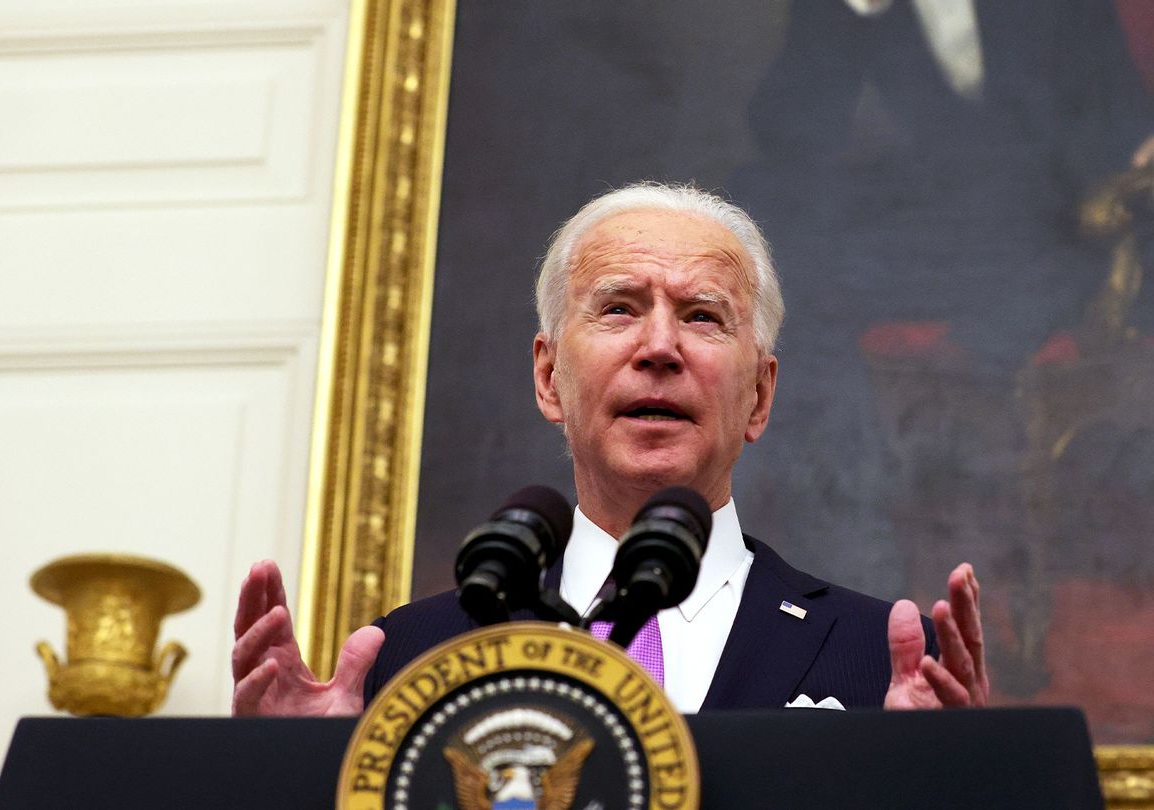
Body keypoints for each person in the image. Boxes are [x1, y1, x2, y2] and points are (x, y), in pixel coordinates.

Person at [231, 182, 988, 717]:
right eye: (619, 308)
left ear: (759, 396)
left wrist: (945, 780)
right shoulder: (410, 658)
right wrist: (298, 782)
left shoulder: (886, 660)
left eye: (701, 316)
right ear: (549, 375)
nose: (659, 346)